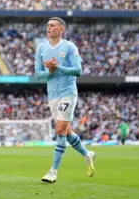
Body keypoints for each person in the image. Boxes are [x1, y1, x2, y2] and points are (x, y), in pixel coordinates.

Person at [35, 17, 96, 183]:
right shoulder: (41, 48)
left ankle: (53, 171)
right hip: (52, 95)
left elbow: (78, 70)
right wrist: (50, 72)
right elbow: (38, 73)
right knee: (67, 132)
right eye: (47, 25)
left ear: (61, 29)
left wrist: (58, 67)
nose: (49, 27)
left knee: (60, 130)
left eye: (52, 25)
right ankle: (87, 154)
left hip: (67, 92)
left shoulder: (69, 47)